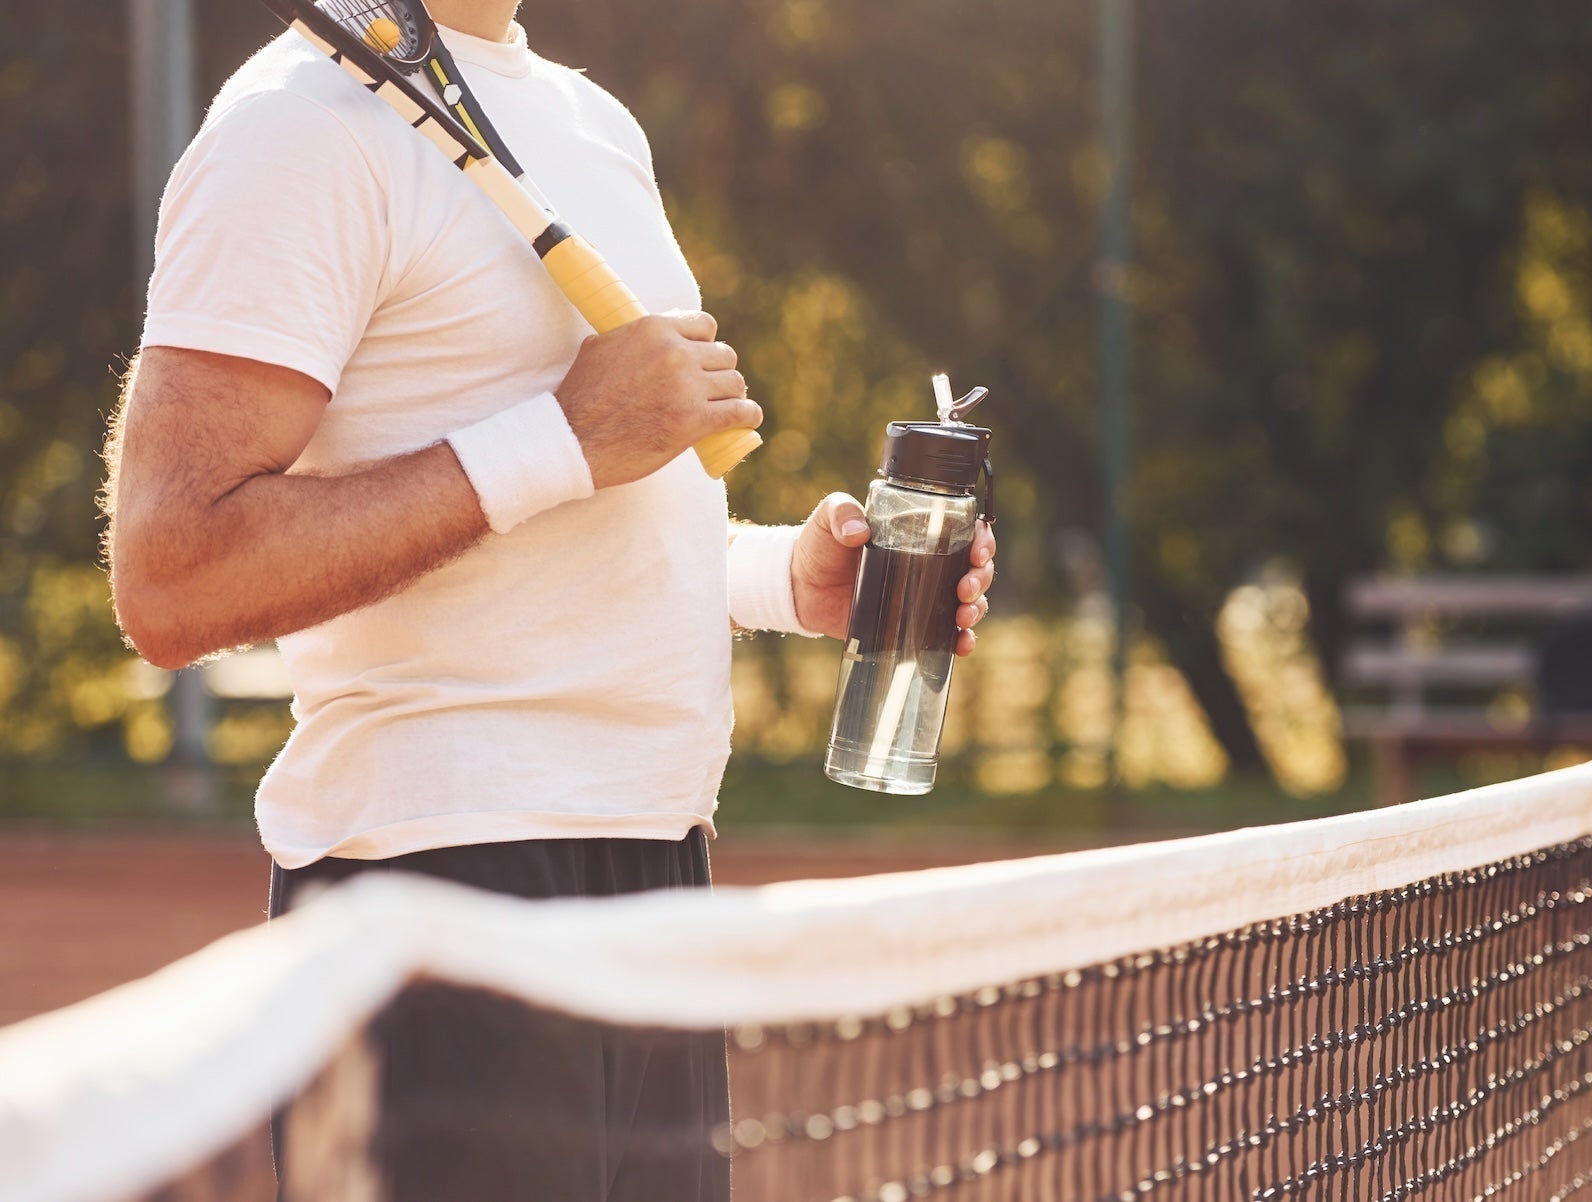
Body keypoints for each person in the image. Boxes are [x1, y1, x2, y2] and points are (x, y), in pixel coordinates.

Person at [100, 2, 996, 1198]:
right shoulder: (292, 130)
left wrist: (785, 577)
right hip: (440, 898)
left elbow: (581, 520)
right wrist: (566, 431)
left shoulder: (590, 120)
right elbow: (174, 574)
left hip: (655, 882)